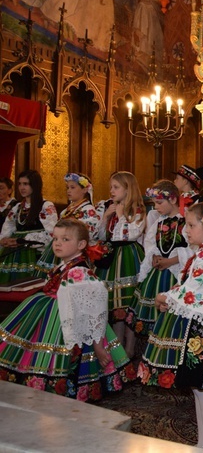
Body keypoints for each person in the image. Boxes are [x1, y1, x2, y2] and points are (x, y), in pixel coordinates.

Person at [139, 201, 203, 451]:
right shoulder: (202, 253)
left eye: (191, 225)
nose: (186, 230)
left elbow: (196, 294)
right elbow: (188, 287)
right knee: (199, 388)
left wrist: (166, 298)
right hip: (196, 319)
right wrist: (171, 297)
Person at [0, 219, 128, 401]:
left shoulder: (80, 272)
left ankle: (61, 386)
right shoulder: (64, 265)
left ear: (81, 244)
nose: (58, 243)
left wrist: (98, 346)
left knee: (66, 356)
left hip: (68, 319)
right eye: (56, 239)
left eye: (65, 239)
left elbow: (95, 310)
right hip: (49, 311)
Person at [94, 172, 145, 359]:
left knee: (127, 304)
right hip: (110, 257)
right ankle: (117, 347)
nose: (111, 191)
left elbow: (128, 235)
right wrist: (106, 218)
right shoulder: (111, 208)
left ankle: (130, 349)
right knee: (114, 306)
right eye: (111, 187)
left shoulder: (137, 210)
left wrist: (122, 215)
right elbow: (103, 236)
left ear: (127, 189)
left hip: (129, 257)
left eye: (116, 187)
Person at [130, 181, 190, 339]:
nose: (156, 207)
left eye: (159, 203)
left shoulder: (185, 221)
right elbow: (150, 242)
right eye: (155, 203)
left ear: (173, 200)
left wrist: (171, 261)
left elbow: (192, 248)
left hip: (174, 272)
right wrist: (154, 256)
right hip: (157, 272)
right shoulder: (159, 222)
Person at [35, 173, 100, 277]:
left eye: (72, 187)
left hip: (75, 252)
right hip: (61, 250)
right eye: (67, 187)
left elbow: (88, 235)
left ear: (84, 189)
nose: (68, 190)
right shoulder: (66, 210)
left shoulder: (88, 210)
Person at [0, 170, 57, 284]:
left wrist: (24, 240)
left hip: (34, 254)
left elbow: (52, 233)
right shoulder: (17, 207)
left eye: (26, 184)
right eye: (20, 184)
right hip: (14, 253)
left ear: (35, 185)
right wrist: (4, 240)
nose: (22, 187)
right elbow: (8, 227)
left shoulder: (45, 206)